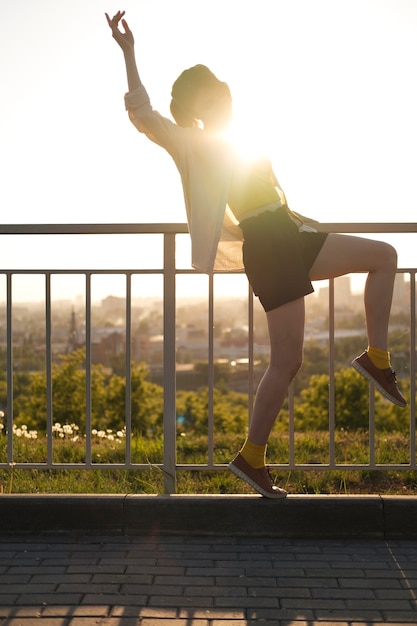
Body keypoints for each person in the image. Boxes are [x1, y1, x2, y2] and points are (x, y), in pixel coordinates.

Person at [106, 11, 407, 499]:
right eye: (215, 93)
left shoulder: (241, 135)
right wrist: (129, 53)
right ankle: (251, 457)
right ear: (202, 105)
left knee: (384, 255)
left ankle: (376, 358)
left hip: (293, 234)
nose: (225, 93)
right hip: (268, 247)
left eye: (223, 87)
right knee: (287, 362)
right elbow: (143, 115)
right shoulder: (196, 144)